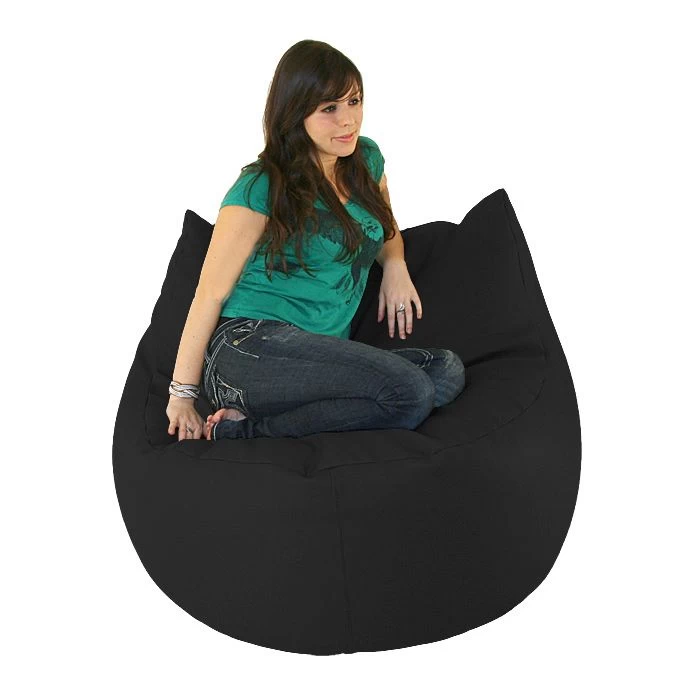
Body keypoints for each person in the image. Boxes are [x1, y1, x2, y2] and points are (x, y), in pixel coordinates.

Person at [166, 39, 466, 441]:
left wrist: (395, 264)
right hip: (248, 347)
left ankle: (270, 413)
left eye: (354, 101)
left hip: (317, 354)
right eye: (329, 109)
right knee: (410, 393)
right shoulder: (261, 185)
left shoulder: (365, 160)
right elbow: (210, 294)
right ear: (296, 113)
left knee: (445, 371)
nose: (349, 120)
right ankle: (245, 433)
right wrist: (182, 396)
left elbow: (384, 226)